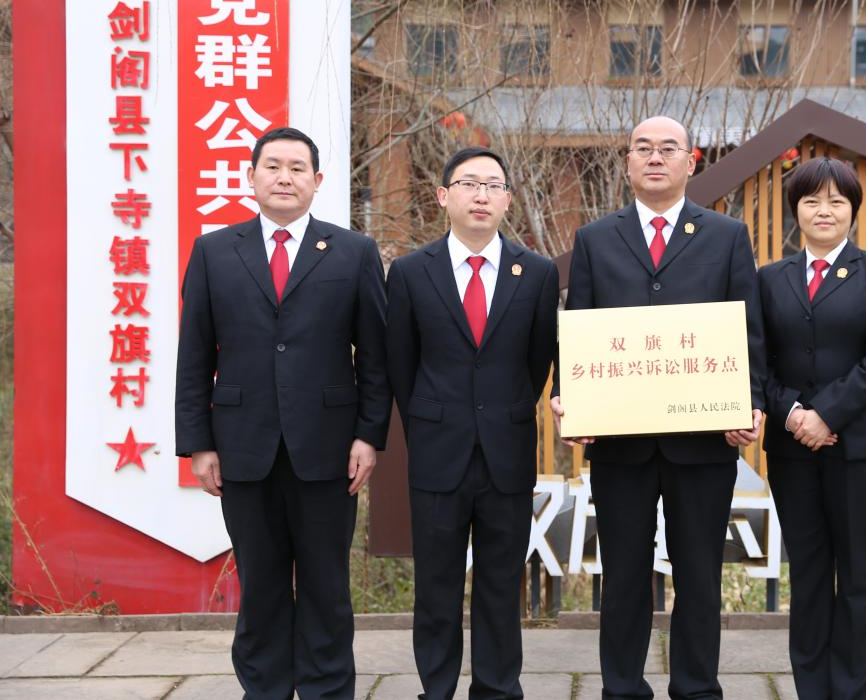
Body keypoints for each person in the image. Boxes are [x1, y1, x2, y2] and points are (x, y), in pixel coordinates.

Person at [550, 115, 765, 700]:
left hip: (704, 441)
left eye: (668, 149)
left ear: (690, 162)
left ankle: (696, 688)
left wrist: (750, 402)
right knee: (623, 576)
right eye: (642, 148)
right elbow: (580, 329)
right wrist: (574, 399)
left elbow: (748, 331)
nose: (654, 157)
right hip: (620, 443)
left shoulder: (726, 236)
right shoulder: (596, 238)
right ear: (626, 161)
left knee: (700, 574)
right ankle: (622, 688)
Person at [175, 126, 390, 700]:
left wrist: (369, 435)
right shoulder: (214, 252)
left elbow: (375, 356)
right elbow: (194, 355)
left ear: (317, 181)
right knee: (261, 584)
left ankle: (326, 689)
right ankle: (264, 688)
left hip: (329, 448)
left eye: (298, 168)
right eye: (273, 166)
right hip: (242, 446)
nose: (284, 177)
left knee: (326, 584)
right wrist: (198, 443)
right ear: (251, 177)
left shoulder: (353, 252)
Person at [385, 146, 559, 700]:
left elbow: (538, 362)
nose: (481, 195)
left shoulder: (536, 273)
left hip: (507, 451)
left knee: (501, 584)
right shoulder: (411, 273)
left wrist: (503, 409)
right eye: (468, 183)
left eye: (492, 185)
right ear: (444, 196)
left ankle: (497, 689)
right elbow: (401, 365)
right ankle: (435, 689)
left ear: (507, 199)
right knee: (436, 586)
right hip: (437, 451)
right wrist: (434, 419)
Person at [757, 157, 866, 700]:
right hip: (792, 447)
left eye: (837, 201)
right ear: (795, 210)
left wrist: (827, 414)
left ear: (853, 210)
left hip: (860, 447)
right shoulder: (769, 278)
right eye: (812, 200)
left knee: (861, 574)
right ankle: (812, 689)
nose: (824, 210)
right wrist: (794, 414)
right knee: (809, 572)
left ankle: (854, 690)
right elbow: (758, 360)